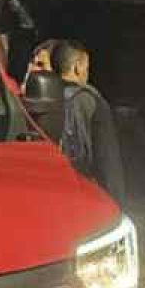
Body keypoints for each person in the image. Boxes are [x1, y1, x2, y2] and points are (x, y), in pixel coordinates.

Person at [50, 39, 126, 202]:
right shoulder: (88, 100)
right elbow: (106, 160)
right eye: (87, 67)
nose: (86, 73)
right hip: (88, 196)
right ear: (77, 67)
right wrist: (115, 201)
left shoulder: (45, 97)